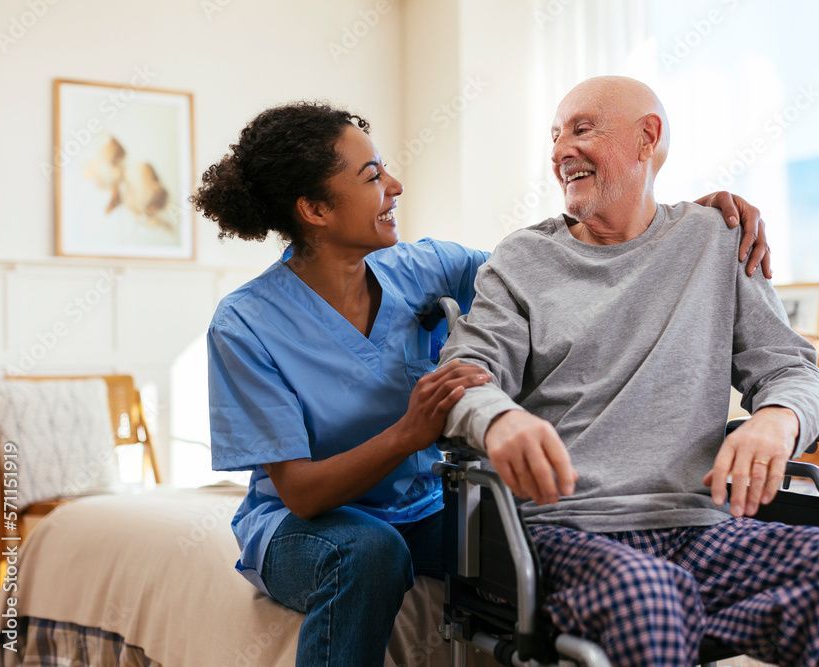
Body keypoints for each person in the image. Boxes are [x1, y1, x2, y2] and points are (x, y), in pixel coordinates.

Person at [196, 101, 775, 666]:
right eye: (372, 175)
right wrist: (406, 435)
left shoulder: (425, 268)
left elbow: (560, 261)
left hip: (424, 506)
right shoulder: (246, 323)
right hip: (308, 525)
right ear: (315, 210)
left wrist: (673, 227)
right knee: (372, 553)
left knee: (538, 541)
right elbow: (300, 491)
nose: (395, 185)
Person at [438, 76, 819, 667]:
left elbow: (793, 369)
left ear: (647, 138)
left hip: (701, 531)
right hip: (569, 530)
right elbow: (464, 373)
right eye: (555, 137)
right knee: (651, 596)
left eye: (581, 130)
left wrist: (778, 418)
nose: (560, 150)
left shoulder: (718, 239)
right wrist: (498, 420)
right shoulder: (522, 259)